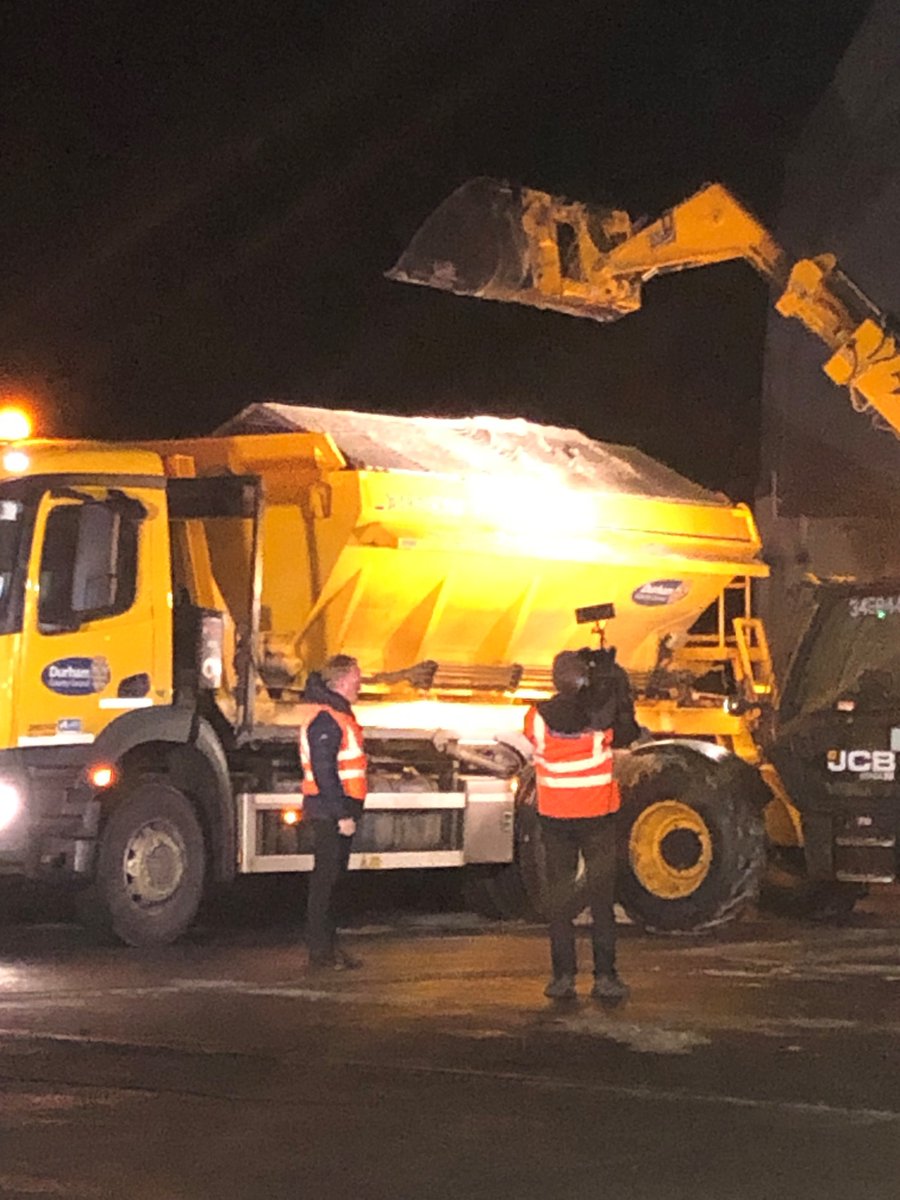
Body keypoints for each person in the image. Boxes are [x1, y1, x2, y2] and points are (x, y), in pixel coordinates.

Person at [524, 647, 639, 1004]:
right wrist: (613, 683)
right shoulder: (598, 718)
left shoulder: (535, 718)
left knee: (559, 901)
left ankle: (562, 978)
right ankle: (605, 977)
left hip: (555, 818)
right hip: (597, 819)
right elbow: (625, 731)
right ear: (584, 679)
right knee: (601, 900)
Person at [297, 654, 367, 971]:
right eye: (356, 679)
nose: (359, 685)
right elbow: (325, 772)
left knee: (333, 883)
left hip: (335, 809)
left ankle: (330, 949)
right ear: (339, 681)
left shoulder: (335, 715)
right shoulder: (328, 719)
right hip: (330, 813)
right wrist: (342, 814)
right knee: (326, 883)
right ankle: (321, 953)